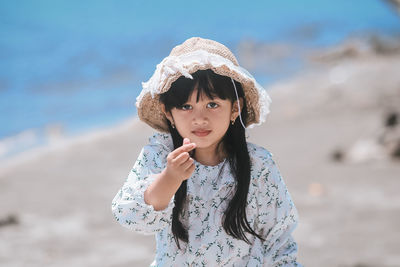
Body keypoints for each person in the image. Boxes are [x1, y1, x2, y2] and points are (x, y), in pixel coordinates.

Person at [111, 37, 302, 266]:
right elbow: (130, 216)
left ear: (235, 108)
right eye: (186, 106)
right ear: (168, 112)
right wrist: (170, 178)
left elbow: (279, 241)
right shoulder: (160, 155)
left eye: (212, 105)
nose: (199, 118)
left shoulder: (257, 164)